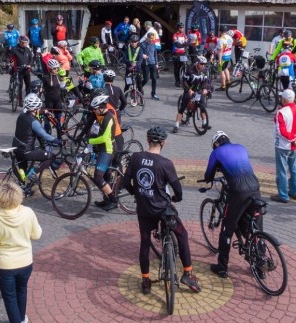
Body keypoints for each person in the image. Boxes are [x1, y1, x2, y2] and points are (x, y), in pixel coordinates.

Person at [121, 125, 201, 294]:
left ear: (147, 140)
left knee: (144, 242)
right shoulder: (165, 163)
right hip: (163, 210)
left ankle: (145, 280)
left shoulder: (135, 158)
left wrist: (137, 194)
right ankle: (187, 273)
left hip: (144, 210)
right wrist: (176, 199)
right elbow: (177, 190)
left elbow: (125, 183)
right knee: (182, 234)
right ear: (164, 142)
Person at [202, 130, 265, 278]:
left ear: (216, 143)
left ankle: (222, 267)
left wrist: (209, 178)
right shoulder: (241, 147)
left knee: (226, 229)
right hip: (255, 188)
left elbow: (209, 174)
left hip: (237, 191)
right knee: (256, 227)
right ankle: (260, 265)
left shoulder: (216, 152)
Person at [0, 181, 42, 323]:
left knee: (9, 297)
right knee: (21, 290)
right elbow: (36, 235)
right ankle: (21, 319)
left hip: (5, 265)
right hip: (25, 262)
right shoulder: (28, 212)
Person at [12, 94, 61, 183]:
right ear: (35, 109)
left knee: (22, 170)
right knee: (51, 157)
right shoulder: (33, 121)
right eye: (39, 108)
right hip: (26, 151)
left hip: (17, 148)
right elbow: (44, 135)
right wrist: (57, 141)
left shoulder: (21, 116)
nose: (40, 109)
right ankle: (33, 173)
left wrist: (44, 112)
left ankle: (24, 188)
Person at [271, 88, 296, 203]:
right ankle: (295, 192)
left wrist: (292, 138)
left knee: (282, 171)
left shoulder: (281, 112)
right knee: (294, 169)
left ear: (284, 99)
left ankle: (283, 195)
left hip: (283, 145)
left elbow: (281, 131)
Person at [86, 94, 119, 210]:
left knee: (98, 177)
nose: (94, 111)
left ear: (101, 107)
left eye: (95, 108)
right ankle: (106, 199)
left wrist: (90, 140)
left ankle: (113, 201)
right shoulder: (102, 116)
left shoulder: (108, 118)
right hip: (103, 149)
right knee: (105, 176)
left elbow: (105, 138)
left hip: (108, 150)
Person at [173, 55, 212, 133]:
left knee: (203, 107)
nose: (203, 66)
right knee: (182, 108)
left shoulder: (205, 71)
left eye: (204, 64)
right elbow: (184, 82)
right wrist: (189, 90)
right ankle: (176, 125)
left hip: (199, 90)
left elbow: (206, 82)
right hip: (189, 89)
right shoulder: (190, 70)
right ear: (197, 63)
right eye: (201, 64)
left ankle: (204, 123)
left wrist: (205, 89)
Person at [140, 30, 160, 100]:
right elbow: (139, 52)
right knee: (146, 79)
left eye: (152, 38)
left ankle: (153, 94)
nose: (151, 39)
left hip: (153, 63)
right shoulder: (142, 44)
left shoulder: (153, 44)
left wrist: (157, 64)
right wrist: (142, 55)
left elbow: (155, 55)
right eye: (150, 38)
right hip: (146, 63)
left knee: (154, 79)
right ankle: (139, 88)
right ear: (147, 38)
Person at [172, 22, 188, 87]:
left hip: (183, 53)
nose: (182, 29)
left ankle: (185, 81)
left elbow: (186, 43)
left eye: (183, 27)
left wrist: (182, 45)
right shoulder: (175, 35)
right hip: (176, 53)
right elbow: (177, 45)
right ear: (178, 28)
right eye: (180, 27)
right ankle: (177, 81)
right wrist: (183, 44)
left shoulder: (184, 35)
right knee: (177, 68)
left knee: (184, 67)